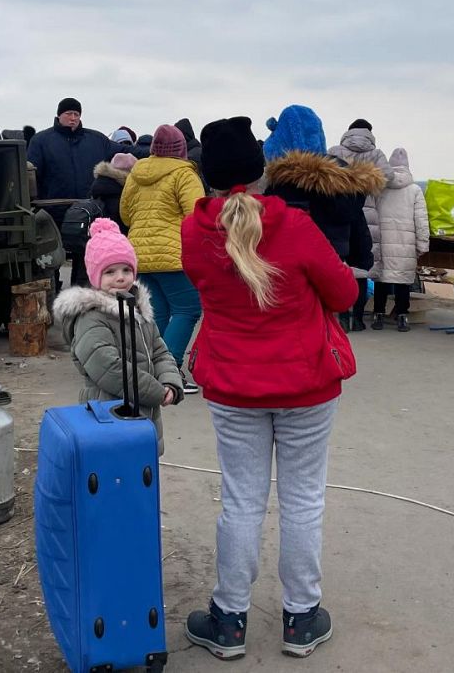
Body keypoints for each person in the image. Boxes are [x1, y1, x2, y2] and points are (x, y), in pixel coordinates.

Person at [181, 117, 358, 661]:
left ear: (205, 175)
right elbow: (345, 293)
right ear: (263, 171)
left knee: (240, 502)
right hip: (306, 382)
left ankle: (229, 619)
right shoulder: (297, 227)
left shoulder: (194, 233)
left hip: (234, 385)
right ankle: (301, 618)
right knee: (303, 500)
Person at [52, 219, 184, 455]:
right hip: (110, 413)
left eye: (126, 270)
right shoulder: (91, 317)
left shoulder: (140, 310)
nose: (120, 277)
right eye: (110, 271)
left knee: (142, 475)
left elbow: (160, 351)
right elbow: (108, 367)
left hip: (144, 414)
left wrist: (169, 383)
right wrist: (155, 392)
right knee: (116, 474)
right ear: (95, 276)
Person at [262, 105, 384, 331]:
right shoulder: (342, 182)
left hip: (287, 270)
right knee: (321, 327)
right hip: (332, 264)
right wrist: (362, 258)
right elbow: (357, 222)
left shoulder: (281, 184)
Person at [120, 125, 206, 373]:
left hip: (140, 255)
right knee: (188, 309)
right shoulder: (184, 174)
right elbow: (195, 215)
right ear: (181, 149)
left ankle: (148, 367)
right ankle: (169, 370)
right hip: (173, 256)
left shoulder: (137, 173)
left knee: (157, 313)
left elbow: (126, 215)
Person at [27, 98, 114, 286]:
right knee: (50, 260)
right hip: (52, 213)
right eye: (69, 114)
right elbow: (31, 171)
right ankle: (52, 297)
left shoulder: (96, 140)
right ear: (59, 115)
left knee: (84, 260)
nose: (73, 118)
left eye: (76, 114)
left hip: (85, 214)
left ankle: (78, 299)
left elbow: (121, 151)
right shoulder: (41, 141)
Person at [327, 119, 391, 326]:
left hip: (338, 213)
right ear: (370, 134)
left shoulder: (335, 151)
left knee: (339, 266)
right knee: (362, 267)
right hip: (367, 213)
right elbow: (388, 177)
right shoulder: (376, 155)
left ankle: (343, 316)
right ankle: (358, 319)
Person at [368, 147, 429, 332]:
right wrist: (422, 244)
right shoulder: (415, 190)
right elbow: (421, 221)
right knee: (403, 282)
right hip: (405, 244)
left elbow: (370, 215)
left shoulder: (379, 188)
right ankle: (402, 316)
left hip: (383, 242)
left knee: (381, 280)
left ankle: (378, 314)